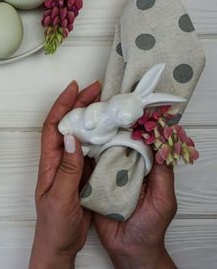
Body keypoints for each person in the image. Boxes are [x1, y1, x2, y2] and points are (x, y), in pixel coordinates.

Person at [29, 81, 177, 269]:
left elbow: (103, 136)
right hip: (75, 125)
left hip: (88, 140)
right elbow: (90, 116)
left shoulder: (115, 124)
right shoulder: (99, 109)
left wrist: (54, 252)